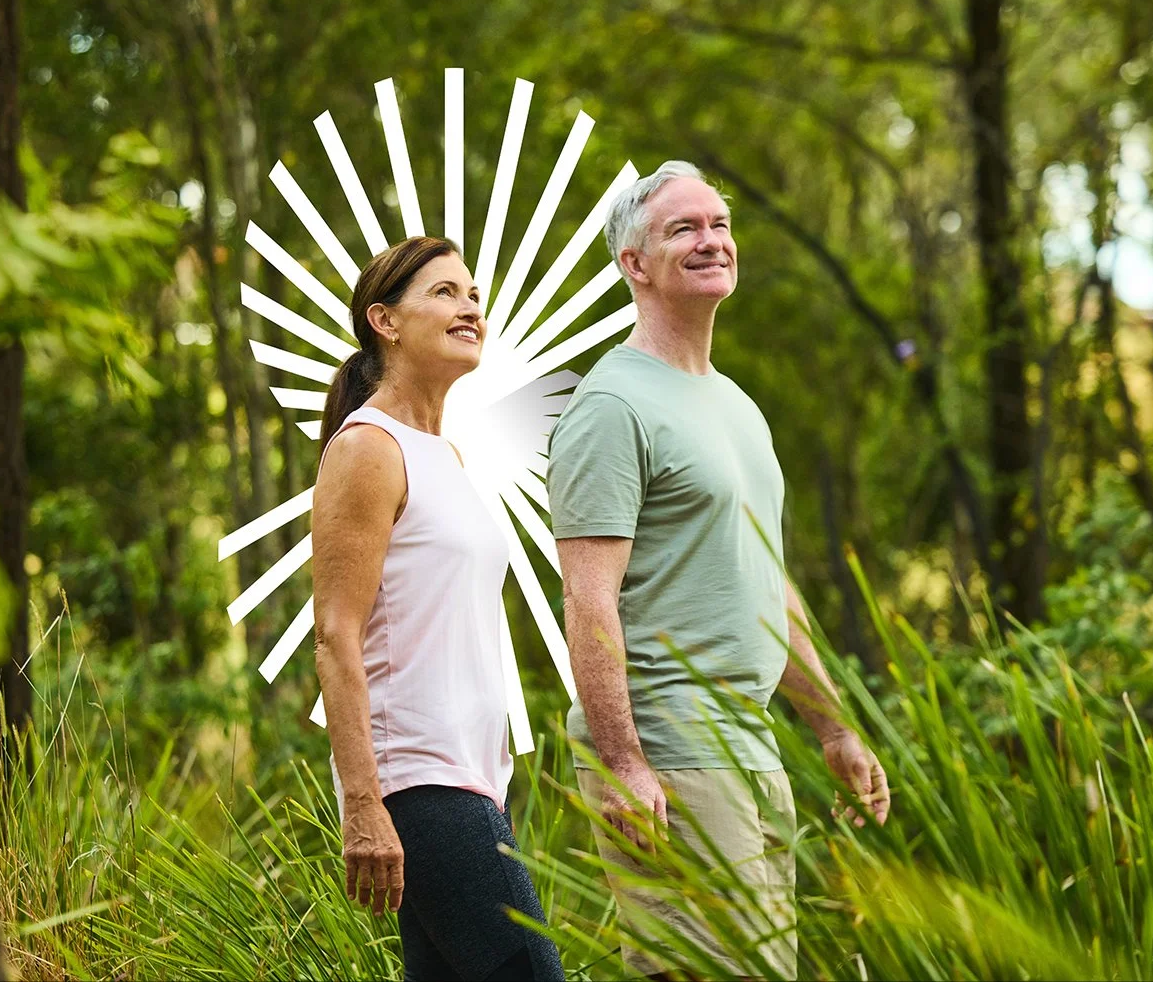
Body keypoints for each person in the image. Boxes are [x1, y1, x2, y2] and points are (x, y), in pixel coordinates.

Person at [547, 161, 892, 980]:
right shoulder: (611, 407)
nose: (712, 241)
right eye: (684, 228)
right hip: (671, 740)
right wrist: (626, 762)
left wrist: (833, 726)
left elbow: (767, 584)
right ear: (634, 264)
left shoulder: (736, 406)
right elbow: (588, 601)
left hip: (750, 744)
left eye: (720, 225)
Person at [312, 235, 566, 982]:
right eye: (446, 293)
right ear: (384, 321)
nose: (470, 308)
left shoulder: (445, 457)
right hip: (419, 783)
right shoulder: (367, 448)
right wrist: (364, 803)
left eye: (475, 295)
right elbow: (335, 636)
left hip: (471, 778)